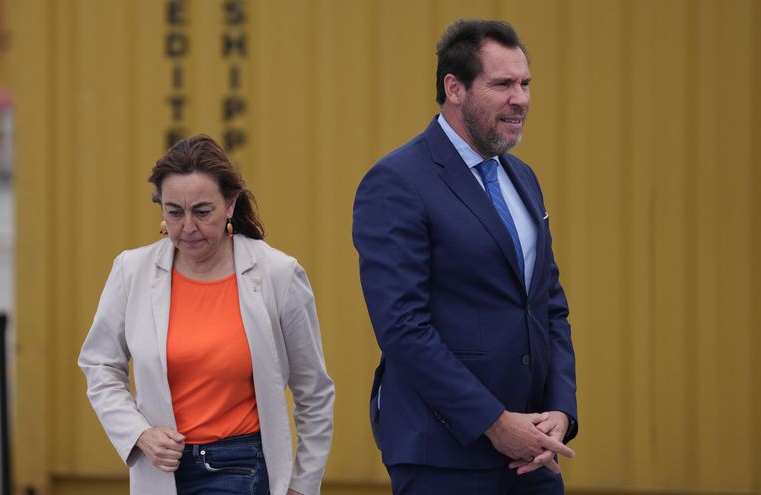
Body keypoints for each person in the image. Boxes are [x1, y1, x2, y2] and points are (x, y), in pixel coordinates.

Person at [352, 19, 578, 494]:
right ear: (454, 88)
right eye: (502, 84)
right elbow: (402, 328)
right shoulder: (397, 181)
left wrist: (560, 410)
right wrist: (494, 422)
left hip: (534, 453)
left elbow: (548, 306)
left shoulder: (523, 178)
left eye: (525, 84)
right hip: (444, 455)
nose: (520, 99)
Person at [79, 134, 334, 495]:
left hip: (241, 468)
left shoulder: (278, 274)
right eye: (174, 212)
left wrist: (302, 487)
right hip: (159, 470)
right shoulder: (131, 271)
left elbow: (314, 392)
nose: (187, 227)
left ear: (230, 204)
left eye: (202, 212)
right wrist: (139, 434)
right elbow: (99, 364)